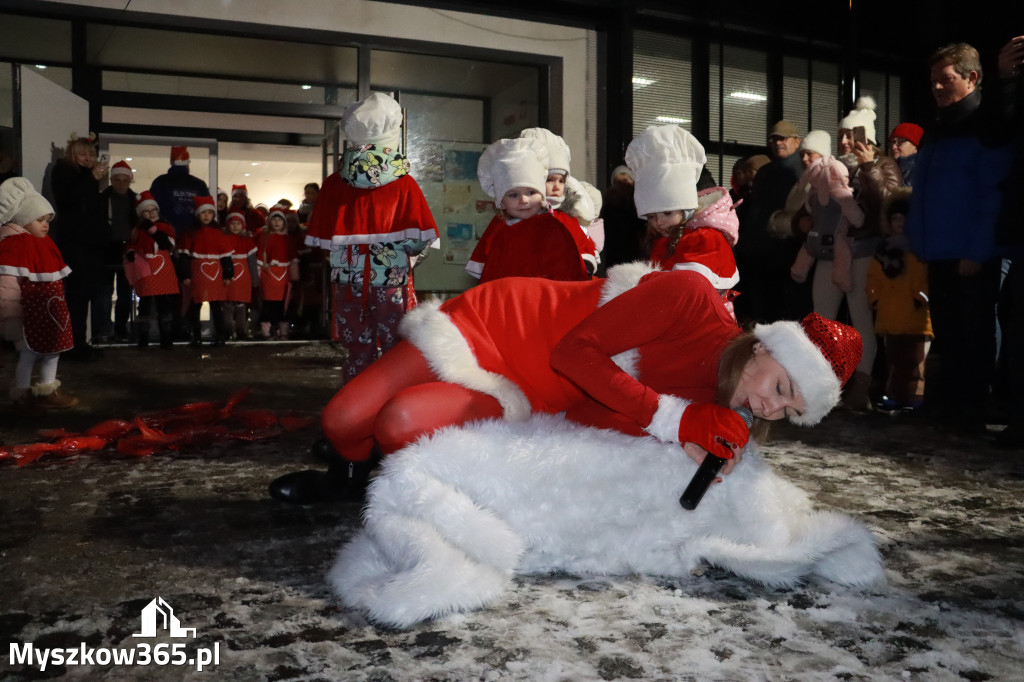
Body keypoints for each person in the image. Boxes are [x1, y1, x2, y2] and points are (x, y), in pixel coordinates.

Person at [268, 264, 862, 504]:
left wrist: (675, 436)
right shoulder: (690, 297)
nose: (770, 407)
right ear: (766, 347)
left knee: (398, 424)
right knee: (343, 420)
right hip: (498, 322)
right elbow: (573, 351)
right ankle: (347, 465)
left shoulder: (709, 407)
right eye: (782, 387)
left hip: (525, 392)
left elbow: (585, 414)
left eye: (788, 412)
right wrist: (671, 420)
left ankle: (356, 478)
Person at [906, 41, 1015, 435]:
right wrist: (918, 239)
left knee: (974, 333)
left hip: (970, 250)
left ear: (972, 78)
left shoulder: (987, 124)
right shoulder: (939, 127)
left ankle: (971, 408)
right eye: (933, 80)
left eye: (945, 79)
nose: (936, 87)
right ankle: (947, 404)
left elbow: (992, 193)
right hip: (939, 248)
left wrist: (978, 249)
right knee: (949, 331)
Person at [305, 93, 439, 379]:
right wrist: (409, 255)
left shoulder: (333, 184)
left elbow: (325, 237)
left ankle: (356, 396)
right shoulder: (404, 183)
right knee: (395, 343)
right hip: (390, 279)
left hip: (347, 278)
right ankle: (391, 396)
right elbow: (419, 237)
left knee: (356, 344)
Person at [784, 130, 876, 409]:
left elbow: (882, 202)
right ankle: (823, 385)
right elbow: (806, 211)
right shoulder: (816, 177)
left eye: (852, 135)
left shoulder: (875, 167)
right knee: (821, 321)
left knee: (860, 319)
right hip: (826, 255)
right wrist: (801, 223)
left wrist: (869, 168)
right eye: (842, 136)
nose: (846, 141)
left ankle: (862, 386)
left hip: (858, 252)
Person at [627, 124, 740, 316]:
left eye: (667, 213)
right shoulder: (662, 239)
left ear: (686, 207)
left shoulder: (707, 239)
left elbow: (686, 292)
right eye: (652, 217)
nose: (659, 222)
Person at [466, 137, 593, 283]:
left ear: (542, 195)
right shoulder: (500, 234)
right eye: (513, 195)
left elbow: (566, 279)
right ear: (501, 201)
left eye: (531, 192)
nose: (524, 200)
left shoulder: (553, 230)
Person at [0, 178, 79, 412]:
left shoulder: (43, 243)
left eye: (47, 220)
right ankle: (22, 392)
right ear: (23, 221)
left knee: (53, 351)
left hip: (49, 313)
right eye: (39, 220)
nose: (45, 225)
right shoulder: (15, 246)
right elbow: (7, 287)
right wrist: (12, 318)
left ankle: (47, 388)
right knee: (29, 354)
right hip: (29, 314)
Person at [732, 120, 808, 325]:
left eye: (783, 138)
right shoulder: (766, 171)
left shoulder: (803, 171)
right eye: (773, 139)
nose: (777, 143)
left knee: (784, 314)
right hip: (757, 252)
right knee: (762, 313)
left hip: (786, 252)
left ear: (796, 141)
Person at [867, 188, 932, 411]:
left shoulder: (919, 250)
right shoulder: (883, 251)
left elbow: (925, 280)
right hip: (890, 315)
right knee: (894, 361)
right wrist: (875, 298)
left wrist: (920, 297)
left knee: (915, 363)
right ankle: (894, 395)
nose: (899, 223)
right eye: (895, 218)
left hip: (916, 318)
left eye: (904, 219)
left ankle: (915, 397)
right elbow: (873, 278)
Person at [49, 134, 109, 361]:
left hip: (91, 242)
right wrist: (92, 177)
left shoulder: (88, 177)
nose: (87, 158)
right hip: (75, 242)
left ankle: (80, 342)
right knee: (77, 293)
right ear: (73, 154)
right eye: (82, 153)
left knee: (86, 293)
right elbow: (67, 200)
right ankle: (72, 345)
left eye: (91, 154)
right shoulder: (63, 171)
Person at [124, 191, 179, 349]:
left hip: (163, 271)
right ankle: (143, 338)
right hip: (146, 271)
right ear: (141, 214)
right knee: (145, 305)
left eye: (153, 210)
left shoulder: (165, 227)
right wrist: (131, 253)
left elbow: (166, 244)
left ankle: (166, 338)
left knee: (164, 305)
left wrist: (153, 229)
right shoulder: (137, 231)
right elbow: (131, 245)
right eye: (146, 211)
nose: (151, 214)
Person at [178, 196, 233, 346]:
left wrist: (228, 275)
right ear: (197, 214)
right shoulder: (190, 233)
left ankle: (220, 336)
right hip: (197, 274)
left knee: (217, 307)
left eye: (210, 212)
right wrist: (186, 275)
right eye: (204, 212)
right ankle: (196, 336)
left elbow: (226, 257)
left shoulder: (219, 233)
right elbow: (184, 256)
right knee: (195, 306)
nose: (207, 215)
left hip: (216, 273)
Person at [101, 160, 138, 342]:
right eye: (117, 179)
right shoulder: (101, 199)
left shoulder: (136, 200)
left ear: (130, 180)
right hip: (106, 248)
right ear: (111, 180)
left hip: (128, 249)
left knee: (124, 294)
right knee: (105, 293)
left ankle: (121, 328)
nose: (121, 183)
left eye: (124, 180)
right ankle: (105, 328)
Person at [148, 146, 210, 238]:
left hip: (165, 234)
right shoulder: (199, 184)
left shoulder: (160, 182)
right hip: (193, 236)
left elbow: (150, 208)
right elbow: (207, 211)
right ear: (188, 164)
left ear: (171, 163)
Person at [256, 205, 298, 340]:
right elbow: (259, 258)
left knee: (284, 303)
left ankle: (282, 330)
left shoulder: (288, 239)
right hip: (268, 274)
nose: (276, 222)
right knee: (268, 303)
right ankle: (266, 331)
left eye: (280, 220)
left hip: (284, 275)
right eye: (274, 219)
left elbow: (292, 259)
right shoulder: (264, 238)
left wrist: (294, 277)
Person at [598, 165, 647, 271]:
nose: (623, 185)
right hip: (615, 249)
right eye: (618, 181)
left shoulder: (638, 202)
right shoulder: (609, 203)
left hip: (635, 248)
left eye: (625, 180)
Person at [222, 210, 258, 341]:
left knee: (241, 307)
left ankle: (241, 331)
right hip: (227, 279)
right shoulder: (223, 240)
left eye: (238, 223)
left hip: (243, 279)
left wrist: (254, 279)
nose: (236, 226)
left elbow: (252, 263)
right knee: (227, 306)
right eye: (233, 224)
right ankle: (227, 331)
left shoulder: (247, 242)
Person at [888, 122, 924, 187]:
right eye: (892, 142)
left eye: (900, 142)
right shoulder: (890, 166)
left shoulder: (919, 171)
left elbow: (894, 194)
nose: (894, 147)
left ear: (916, 147)